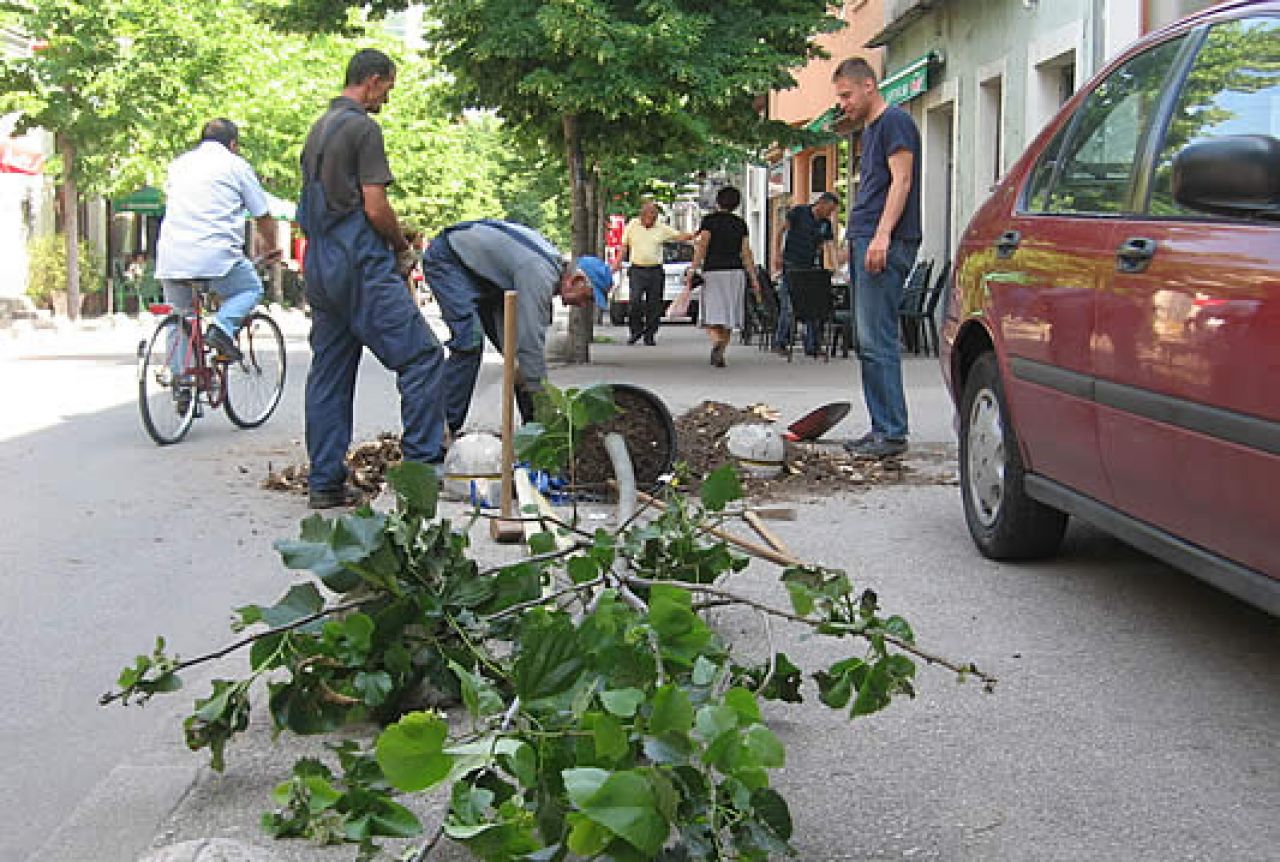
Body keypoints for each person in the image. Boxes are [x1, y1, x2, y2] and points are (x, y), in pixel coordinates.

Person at [297, 48, 446, 509]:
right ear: (374, 81)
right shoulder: (363, 127)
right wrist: (401, 247)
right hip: (358, 260)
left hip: (320, 263)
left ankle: (324, 483)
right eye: (388, 89)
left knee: (330, 374)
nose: (387, 99)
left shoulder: (317, 130)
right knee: (423, 358)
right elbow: (375, 206)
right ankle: (420, 476)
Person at [419, 219, 607, 432]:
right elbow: (530, 342)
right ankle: (437, 430)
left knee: (516, 357)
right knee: (469, 341)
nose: (583, 305)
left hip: (485, 277)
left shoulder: (547, 269)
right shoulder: (539, 275)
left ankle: (532, 426)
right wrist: (543, 401)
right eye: (587, 298)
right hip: (450, 260)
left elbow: (522, 351)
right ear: (576, 280)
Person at [833, 57, 922, 458]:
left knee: (877, 337)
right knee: (867, 340)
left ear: (869, 85)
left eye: (846, 95)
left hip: (883, 241)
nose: (843, 104)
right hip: (866, 238)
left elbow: (902, 180)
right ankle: (881, 426)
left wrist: (882, 235)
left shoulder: (895, 123)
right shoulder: (871, 130)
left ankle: (892, 431)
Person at [155, 118, 280, 363]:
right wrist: (271, 245)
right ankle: (221, 328)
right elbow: (262, 215)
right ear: (233, 145)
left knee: (181, 314)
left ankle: (181, 384)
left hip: (171, 256)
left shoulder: (178, 165)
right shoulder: (236, 166)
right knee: (250, 288)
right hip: (216, 256)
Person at [684, 186, 761, 368]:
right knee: (728, 315)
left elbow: (702, 245)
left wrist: (693, 268)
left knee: (711, 315)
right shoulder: (740, 224)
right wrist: (753, 277)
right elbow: (746, 252)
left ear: (718, 201)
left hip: (713, 272)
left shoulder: (709, 221)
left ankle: (717, 342)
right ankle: (722, 348)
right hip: (735, 273)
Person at [614, 201, 694, 345]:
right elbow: (624, 246)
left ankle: (650, 334)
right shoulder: (632, 225)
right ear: (642, 215)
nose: (653, 219)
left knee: (654, 304)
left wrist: (696, 234)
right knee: (635, 301)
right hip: (637, 269)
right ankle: (636, 330)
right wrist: (617, 263)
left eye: (655, 216)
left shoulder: (661, 228)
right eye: (650, 216)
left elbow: (679, 236)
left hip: (655, 270)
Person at [772, 191, 840, 356]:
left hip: (811, 267)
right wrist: (777, 254)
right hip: (792, 263)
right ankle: (781, 341)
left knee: (813, 305)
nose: (830, 214)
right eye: (829, 209)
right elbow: (780, 231)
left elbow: (829, 245)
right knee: (789, 305)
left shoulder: (825, 224)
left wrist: (833, 265)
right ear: (821, 204)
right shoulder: (799, 212)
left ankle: (812, 345)